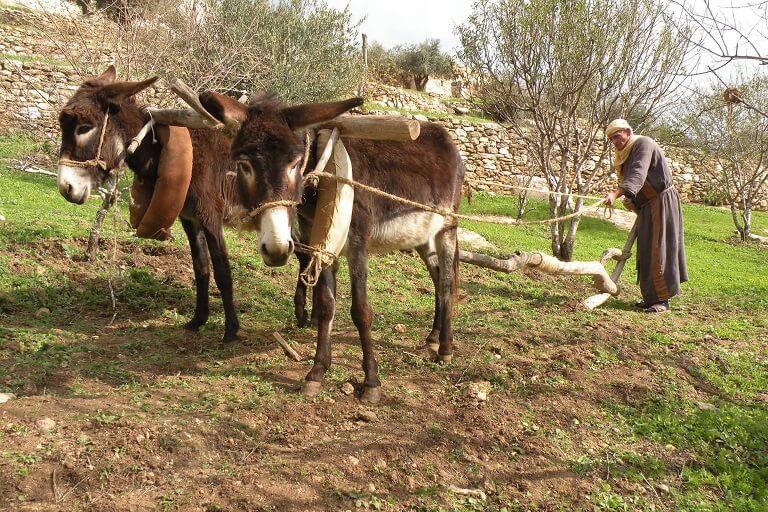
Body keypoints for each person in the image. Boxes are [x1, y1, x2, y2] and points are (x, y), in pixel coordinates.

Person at [603, 119, 688, 313]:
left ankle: (661, 301)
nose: (615, 141)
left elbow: (638, 175)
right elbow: (636, 181)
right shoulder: (624, 154)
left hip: (661, 203)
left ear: (628, 132)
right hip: (648, 206)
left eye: (617, 136)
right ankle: (651, 299)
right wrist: (633, 201)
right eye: (612, 139)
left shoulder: (644, 144)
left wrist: (616, 194)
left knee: (658, 249)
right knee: (646, 250)